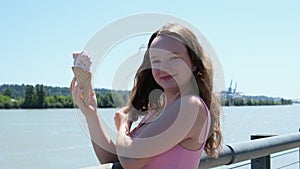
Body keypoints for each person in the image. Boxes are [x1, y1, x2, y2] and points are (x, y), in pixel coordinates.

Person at [70, 23, 222, 169]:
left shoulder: (191, 106)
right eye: (156, 61)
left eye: (173, 58)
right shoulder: (157, 112)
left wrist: (124, 124)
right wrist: (91, 113)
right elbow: (116, 161)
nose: (163, 67)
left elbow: (129, 160)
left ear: (193, 62)